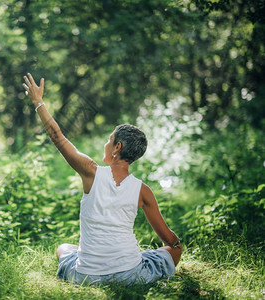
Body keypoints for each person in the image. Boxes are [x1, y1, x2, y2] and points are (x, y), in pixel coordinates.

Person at [23, 73, 182, 286]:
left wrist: (38, 102)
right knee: (170, 250)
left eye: (109, 140)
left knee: (63, 248)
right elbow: (169, 240)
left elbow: (57, 137)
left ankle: (94, 260)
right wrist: (173, 246)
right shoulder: (143, 191)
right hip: (131, 275)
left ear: (117, 147)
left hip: (86, 277)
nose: (105, 144)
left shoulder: (91, 172)